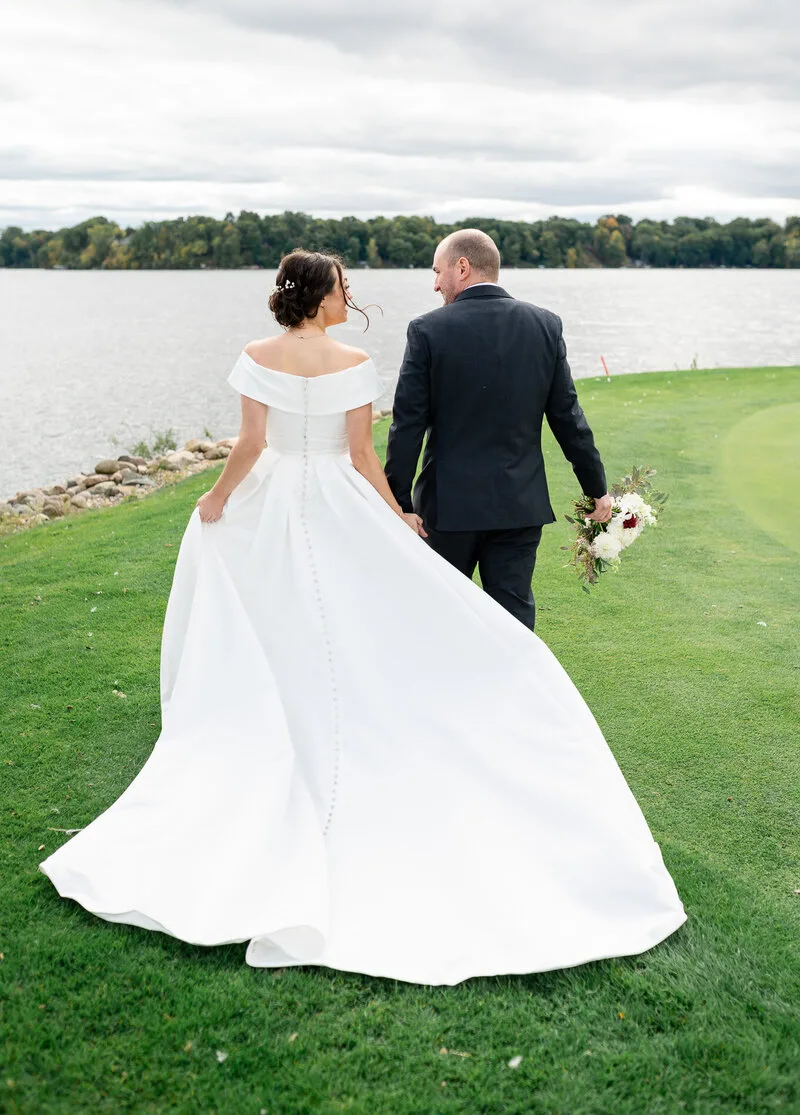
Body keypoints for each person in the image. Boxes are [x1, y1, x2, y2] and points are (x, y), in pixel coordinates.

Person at [39, 248, 686, 986]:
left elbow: (253, 444)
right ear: (322, 296)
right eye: (345, 286)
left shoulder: (257, 352)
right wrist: (393, 513)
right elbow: (361, 456)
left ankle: (288, 702)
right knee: (383, 608)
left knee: (282, 607)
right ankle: (459, 701)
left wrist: (219, 499)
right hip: (360, 502)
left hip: (275, 500)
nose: (355, 294)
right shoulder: (363, 356)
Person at [385, 229, 612, 630]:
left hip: (447, 510)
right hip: (518, 506)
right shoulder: (545, 325)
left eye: (438, 272)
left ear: (462, 267)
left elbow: (407, 427)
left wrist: (399, 504)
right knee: (513, 623)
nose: (435, 284)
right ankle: (520, 693)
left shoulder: (427, 330)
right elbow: (568, 418)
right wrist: (596, 488)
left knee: (440, 618)